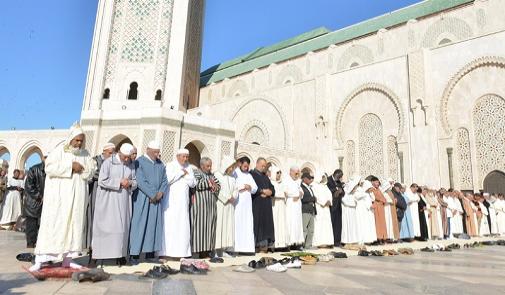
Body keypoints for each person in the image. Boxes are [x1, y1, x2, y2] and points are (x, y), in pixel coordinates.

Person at [30, 123, 96, 272]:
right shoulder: (59, 151)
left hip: (78, 198)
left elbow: (91, 171)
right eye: (77, 140)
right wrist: (70, 166)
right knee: (54, 226)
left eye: (81, 141)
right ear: (71, 138)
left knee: (74, 227)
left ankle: (68, 259)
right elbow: (49, 168)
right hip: (60, 199)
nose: (79, 143)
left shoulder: (85, 154)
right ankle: (40, 260)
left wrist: (83, 170)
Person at [92, 143, 136, 265]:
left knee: (122, 229)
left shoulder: (130, 165)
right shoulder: (108, 163)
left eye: (128, 157)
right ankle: (99, 255)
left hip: (124, 201)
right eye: (125, 157)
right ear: (119, 153)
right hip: (109, 200)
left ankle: (120, 255)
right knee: (107, 227)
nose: (126, 159)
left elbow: (135, 181)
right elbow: (102, 180)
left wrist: (130, 183)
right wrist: (119, 182)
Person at [129, 140, 168, 264]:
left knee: (153, 227)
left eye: (158, 152)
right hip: (143, 198)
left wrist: (160, 193)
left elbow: (164, 180)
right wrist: (153, 194)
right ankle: (134, 255)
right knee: (139, 225)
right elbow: (140, 180)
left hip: (155, 200)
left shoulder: (160, 164)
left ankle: (150, 254)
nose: (157, 154)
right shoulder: (139, 162)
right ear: (148, 150)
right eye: (155, 152)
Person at [159, 149, 195, 259]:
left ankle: (182, 253)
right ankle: (164, 253)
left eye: (187, 157)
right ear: (178, 156)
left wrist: (185, 175)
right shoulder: (170, 165)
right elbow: (168, 179)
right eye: (183, 156)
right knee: (169, 226)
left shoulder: (189, 167)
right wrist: (181, 173)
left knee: (182, 226)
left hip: (183, 203)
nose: (185, 159)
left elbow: (193, 183)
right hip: (171, 201)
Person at [86, 142, 115, 250]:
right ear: (105, 152)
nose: (112, 156)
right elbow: (92, 173)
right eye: (110, 153)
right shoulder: (94, 160)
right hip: (96, 190)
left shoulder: (113, 162)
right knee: (93, 217)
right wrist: (106, 178)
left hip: (108, 193)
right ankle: (91, 245)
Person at [191, 157, 221, 257]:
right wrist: (210, 183)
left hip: (211, 207)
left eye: (210, 166)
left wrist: (214, 185)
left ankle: (206, 252)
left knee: (209, 229)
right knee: (199, 229)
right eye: (207, 166)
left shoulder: (212, 175)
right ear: (202, 166)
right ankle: (198, 252)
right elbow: (197, 185)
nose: (209, 168)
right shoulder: (196, 172)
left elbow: (218, 185)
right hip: (200, 207)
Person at [250, 157, 275, 252]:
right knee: (258, 225)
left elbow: (272, 188)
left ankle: (264, 246)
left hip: (266, 205)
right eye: (262, 165)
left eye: (265, 166)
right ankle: (256, 246)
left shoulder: (265, 177)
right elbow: (252, 188)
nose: (263, 167)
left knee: (266, 225)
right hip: (257, 204)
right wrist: (262, 192)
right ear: (257, 164)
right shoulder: (252, 174)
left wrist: (270, 192)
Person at [214, 157, 237, 257]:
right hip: (220, 204)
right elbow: (216, 190)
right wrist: (227, 198)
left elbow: (236, 190)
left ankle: (223, 250)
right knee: (219, 226)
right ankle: (215, 250)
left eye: (233, 167)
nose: (232, 169)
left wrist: (233, 197)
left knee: (227, 226)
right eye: (230, 167)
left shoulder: (232, 178)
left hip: (230, 206)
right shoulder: (217, 175)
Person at [233, 157, 258, 254]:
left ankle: (246, 248)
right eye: (244, 166)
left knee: (247, 224)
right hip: (238, 203)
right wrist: (243, 187)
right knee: (237, 224)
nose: (246, 168)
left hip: (247, 205)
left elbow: (255, 188)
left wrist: (250, 187)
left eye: (247, 167)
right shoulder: (235, 173)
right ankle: (236, 248)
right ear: (240, 164)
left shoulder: (249, 175)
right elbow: (232, 185)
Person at [23, 155, 47, 248]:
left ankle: (40, 242)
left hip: (45, 201)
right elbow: (29, 186)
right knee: (31, 223)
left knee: (43, 223)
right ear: (43, 158)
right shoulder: (34, 169)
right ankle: (31, 243)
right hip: (33, 202)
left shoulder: (51, 171)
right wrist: (40, 197)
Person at [284, 166, 304, 249]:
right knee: (290, 223)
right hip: (290, 204)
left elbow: (302, 192)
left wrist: (299, 194)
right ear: (291, 172)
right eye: (296, 173)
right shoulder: (286, 180)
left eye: (298, 173)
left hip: (297, 205)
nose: (297, 175)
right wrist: (294, 195)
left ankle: (296, 243)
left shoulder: (298, 182)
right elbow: (285, 191)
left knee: (297, 224)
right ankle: (289, 243)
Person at [312, 174, 334, 248]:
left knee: (327, 225)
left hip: (326, 208)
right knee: (319, 225)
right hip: (319, 207)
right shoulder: (314, 186)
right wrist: (323, 202)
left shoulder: (325, 186)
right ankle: (318, 243)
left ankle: (327, 242)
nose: (323, 178)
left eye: (324, 177)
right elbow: (315, 196)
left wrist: (329, 201)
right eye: (322, 177)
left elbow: (330, 195)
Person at [269, 165, 288, 249]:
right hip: (274, 206)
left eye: (280, 173)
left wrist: (283, 195)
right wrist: (281, 195)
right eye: (277, 173)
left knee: (281, 223)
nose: (279, 174)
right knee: (275, 223)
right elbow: (274, 194)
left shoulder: (282, 183)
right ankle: (274, 244)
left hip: (281, 207)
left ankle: (282, 244)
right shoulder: (271, 182)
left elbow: (286, 194)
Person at [355, 180, 376, 245]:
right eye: (369, 188)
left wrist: (371, 193)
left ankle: (368, 239)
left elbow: (373, 199)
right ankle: (362, 240)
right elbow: (363, 202)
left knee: (368, 225)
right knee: (362, 225)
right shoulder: (362, 193)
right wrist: (369, 206)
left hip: (368, 212)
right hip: (363, 211)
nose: (370, 189)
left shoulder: (368, 194)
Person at [326, 169, 344, 247]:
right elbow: (327, 189)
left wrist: (341, 191)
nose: (339, 178)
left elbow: (343, 192)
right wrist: (336, 190)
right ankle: (331, 241)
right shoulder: (328, 180)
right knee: (332, 223)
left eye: (340, 177)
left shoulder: (339, 182)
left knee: (338, 224)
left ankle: (337, 241)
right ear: (335, 174)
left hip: (338, 206)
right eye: (339, 176)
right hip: (332, 205)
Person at [340, 176, 360, 245]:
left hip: (352, 212)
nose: (355, 189)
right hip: (347, 212)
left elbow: (355, 202)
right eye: (354, 188)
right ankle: (346, 240)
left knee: (353, 226)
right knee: (347, 226)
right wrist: (353, 204)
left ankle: (353, 239)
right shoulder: (345, 193)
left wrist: (354, 204)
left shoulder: (352, 195)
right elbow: (344, 201)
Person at [300, 172, 317, 249]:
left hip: (311, 209)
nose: (310, 180)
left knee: (311, 229)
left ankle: (308, 245)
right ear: (304, 179)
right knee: (304, 229)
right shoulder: (301, 187)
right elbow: (302, 199)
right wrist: (313, 198)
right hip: (305, 210)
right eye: (308, 178)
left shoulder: (309, 187)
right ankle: (302, 245)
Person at [369, 176, 387, 243]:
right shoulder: (371, 190)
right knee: (377, 223)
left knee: (382, 223)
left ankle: (383, 237)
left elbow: (383, 198)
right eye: (376, 182)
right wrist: (381, 200)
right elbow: (376, 198)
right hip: (376, 207)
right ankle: (378, 238)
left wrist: (383, 200)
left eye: (378, 182)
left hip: (381, 208)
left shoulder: (379, 189)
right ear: (372, 182)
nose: (378, 183)